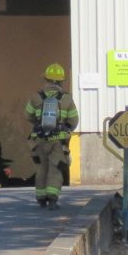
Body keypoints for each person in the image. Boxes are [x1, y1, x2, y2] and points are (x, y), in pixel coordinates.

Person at [24, 63, 79, 210]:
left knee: (41, 168)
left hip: (39, 140)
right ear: (61, 81)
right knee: (56, 169)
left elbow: (27, 115)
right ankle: (53, 199)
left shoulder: (36, 97)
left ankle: (41, 198)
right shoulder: (67, 98)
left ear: (46, 79)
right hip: (58, 141)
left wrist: (38, 123)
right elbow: (74, 120)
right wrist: (65, 131)